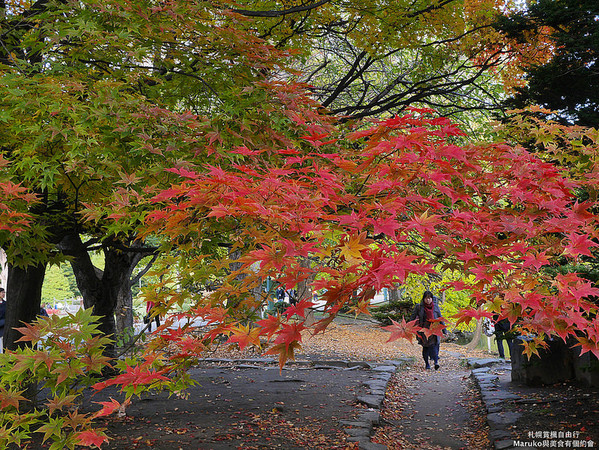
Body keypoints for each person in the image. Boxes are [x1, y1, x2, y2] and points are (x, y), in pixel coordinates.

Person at [410, 290, 446, 370]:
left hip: (434, 329)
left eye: (429, 298)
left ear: (432, 299)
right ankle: (427, 364)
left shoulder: (435, 307)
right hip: (424, 330)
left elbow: (440, 318)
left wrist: (444, 330)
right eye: (426, 298)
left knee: (434, 345)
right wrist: (409, 327)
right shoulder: (419, 307)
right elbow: (412, 318)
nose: (428, 300)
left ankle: (436, 362)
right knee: (426, 347)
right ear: (423, 299)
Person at [0, 288, 6, 352]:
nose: (3, 294)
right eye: (2, 292)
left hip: (3, 328)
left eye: (4, 292)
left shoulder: (6, 304)